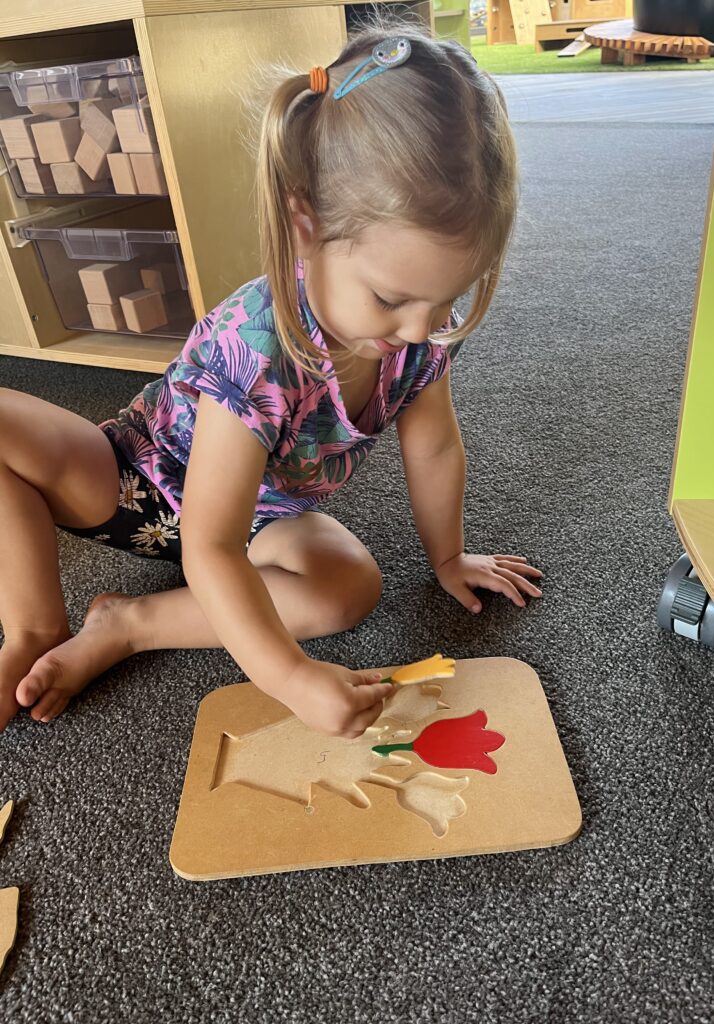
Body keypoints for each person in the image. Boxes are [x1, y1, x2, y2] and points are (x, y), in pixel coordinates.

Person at [0, 21, 543, 739]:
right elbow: (206, 546)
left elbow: (436, 450)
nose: (419, 328)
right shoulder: (254, 348)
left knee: (350, 588)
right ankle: (35, 624)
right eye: (392, 299)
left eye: (449, 300)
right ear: (305, 223)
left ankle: (126, 623)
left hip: (261, 519)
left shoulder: (417, 341)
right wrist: (290, 678)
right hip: (136, 480)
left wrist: (447, 557)